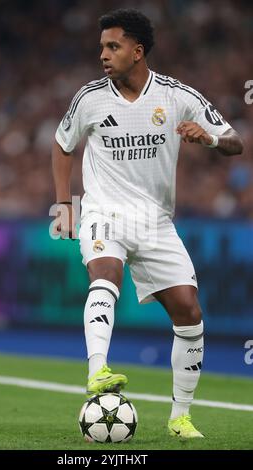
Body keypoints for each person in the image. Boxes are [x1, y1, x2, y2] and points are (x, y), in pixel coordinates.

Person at [52, 8, 243, 438]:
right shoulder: (90, 98)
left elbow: (236, 142)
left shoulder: (177, 96)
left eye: (112, 46)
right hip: (104, 212)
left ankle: (180, 416)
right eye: (102, 46)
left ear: (137, 52)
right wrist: (65, 204)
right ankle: (98, 371)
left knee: (190, 313)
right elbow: (62, 145)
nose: (103, 54)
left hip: (155, 222)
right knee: (105, 276)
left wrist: (208, 138)